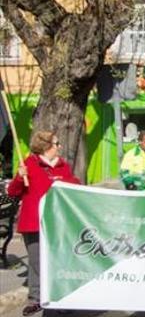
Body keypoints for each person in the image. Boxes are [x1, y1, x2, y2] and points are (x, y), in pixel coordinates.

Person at [7, 131, 80, 316]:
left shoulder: (63, 166)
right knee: (36, 262)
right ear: (46, 146)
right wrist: (18, 176)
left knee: (59, 261)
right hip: (34, 222)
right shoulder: (29, 164)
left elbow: (74, 186)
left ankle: (60, 298)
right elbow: (13, 192)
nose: (60, 146)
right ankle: (36, 299)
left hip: (58, 223)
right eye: (57, 143)